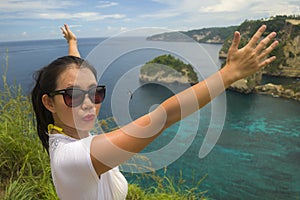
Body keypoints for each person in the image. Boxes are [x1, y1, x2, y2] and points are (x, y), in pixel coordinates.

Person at [31, 24, 278, 199]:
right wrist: (229, 74)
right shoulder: (73, 158)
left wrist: (72, 45)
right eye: (73, 96)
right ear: (49, 103)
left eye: (95, 93)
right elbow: (163, 116)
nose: (88, 103)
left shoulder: (71, 130)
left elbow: (76, 78)